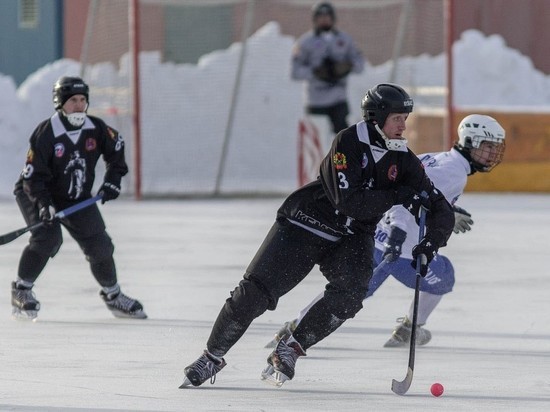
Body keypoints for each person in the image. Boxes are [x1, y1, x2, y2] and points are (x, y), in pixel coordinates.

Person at [180, 83, 454, 388]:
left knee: (351, 294)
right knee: (255, 292)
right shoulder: (349, 141)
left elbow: (441, 209)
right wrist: (398, 195)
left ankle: (290, 349)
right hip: (307, 223)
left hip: (351, 236)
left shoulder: (402, 158)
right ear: (376, 118)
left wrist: (430, 244)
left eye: (406, 118)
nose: (403, 125)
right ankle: (211, 357)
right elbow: (348, 200)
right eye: (397, 118)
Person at [266, 114, 506, 349]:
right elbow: (408, 196)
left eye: (495, 147)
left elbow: (416, 188)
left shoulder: (440, 158)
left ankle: (295, 326)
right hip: (401, 249)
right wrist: (399, 231)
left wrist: (448, 211)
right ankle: (410, 328)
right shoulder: (453, 172)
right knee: (444, 276)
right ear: (470, 142)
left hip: (379, 237)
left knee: (354, 290)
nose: (493, 153)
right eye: (487, 146)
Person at [11, 76, 147, 321]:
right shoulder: (46, 133)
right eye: (73, 100)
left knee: (100, 245)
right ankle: (21, 291)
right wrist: (44, 205)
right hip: (37, 192)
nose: (79, 105)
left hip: (75, 197)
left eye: (83, 100)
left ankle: (114, 296)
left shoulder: (95, 128)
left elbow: (116, 147)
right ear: (60, 103)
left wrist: (113, 180)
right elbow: (33, 177)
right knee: (48, 238)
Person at [291, 2, 364, 134]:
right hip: (316, 101)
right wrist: (315, 72)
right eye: (321, 17)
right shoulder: (305, 42)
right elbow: (295, 72)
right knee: (317, 139)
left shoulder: (345, 40)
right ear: (315, 19)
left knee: (345, 139)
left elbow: (360, 65)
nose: (324, 20)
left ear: (333, 18)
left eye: (327, 16)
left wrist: (346, 66)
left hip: (338, 99)